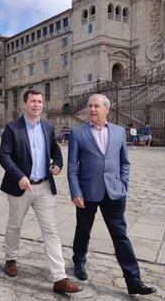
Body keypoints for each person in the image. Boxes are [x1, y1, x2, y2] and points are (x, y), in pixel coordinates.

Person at [67, 94, 157, 295]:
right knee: (83, 229)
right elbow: (72, 167)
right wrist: (75, 191)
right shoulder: (78, 133)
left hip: (115, 193)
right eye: (89, 106)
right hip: (87, 192)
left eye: (96, 106)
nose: (91, 109)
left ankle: (133, 280)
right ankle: (79, 261)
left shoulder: (118, 132)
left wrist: (123, 184)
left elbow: (125, 162)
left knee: (120, 235)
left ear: (106, 109)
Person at [0, 89, 82, 294]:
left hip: (44, 185)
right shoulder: (12, 128)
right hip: (21, 187)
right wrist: (19, 176)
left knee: (51, 230)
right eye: (33, 101)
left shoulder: (47, 126)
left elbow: (56, 151)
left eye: (40, 101)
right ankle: (11, 259)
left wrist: (57, 164)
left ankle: (59, 278)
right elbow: (4, 156)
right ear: (24, 104)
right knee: (15, 225)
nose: (37, 105)